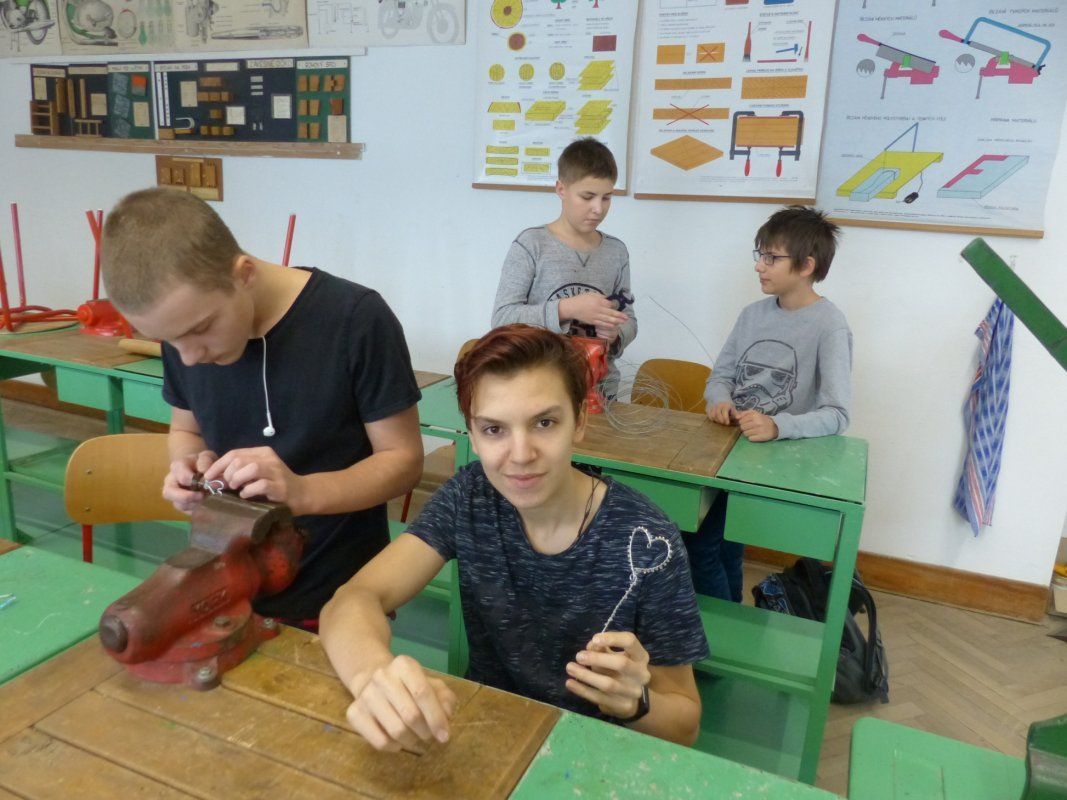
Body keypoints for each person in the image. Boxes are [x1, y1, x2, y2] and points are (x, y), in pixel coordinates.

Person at [320, 324, 707, 749]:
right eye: (494, 430)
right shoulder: (470, 497)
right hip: (487, 732)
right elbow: (352, 600)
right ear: (472, 434)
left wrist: (638, 703)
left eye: (544, 422)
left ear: (579, 420)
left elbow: (685, 722)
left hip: (595, 748)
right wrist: (372, 676)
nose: (521, 455)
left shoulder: (646, 539)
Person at [100, 187, 423, 627]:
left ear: (244, 274)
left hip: (339, 597)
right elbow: (187, 431)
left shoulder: (355, 319)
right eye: (170, 342)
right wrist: (188, 466)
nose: (189, 357)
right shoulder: (184, 333)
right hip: (224, 588)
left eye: (200, 329)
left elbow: (403, 461)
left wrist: (302, 492)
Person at [691, 205, 853, 602]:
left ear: (806, 265)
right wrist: (719, 400)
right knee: (721, 545)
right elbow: (720, 375)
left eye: (771, 257)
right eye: (759, 255)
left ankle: (721, 627)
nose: (759, 266)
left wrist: (778, 426)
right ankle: (731, 615)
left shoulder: (829, 325)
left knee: (700, 547)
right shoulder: (752, 315)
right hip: (724, 452)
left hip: (771, 462)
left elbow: (837, 414)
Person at [491, 137, 636, 397]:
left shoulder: (616, 251)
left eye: (606, 198)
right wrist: (568, 309)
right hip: (538, 388)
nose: (598, 209)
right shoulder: (531, 244)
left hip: (599, 391)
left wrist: (615, 333)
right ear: (561, 189)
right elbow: (502, 319)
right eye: (587, 196)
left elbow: (629, 319)